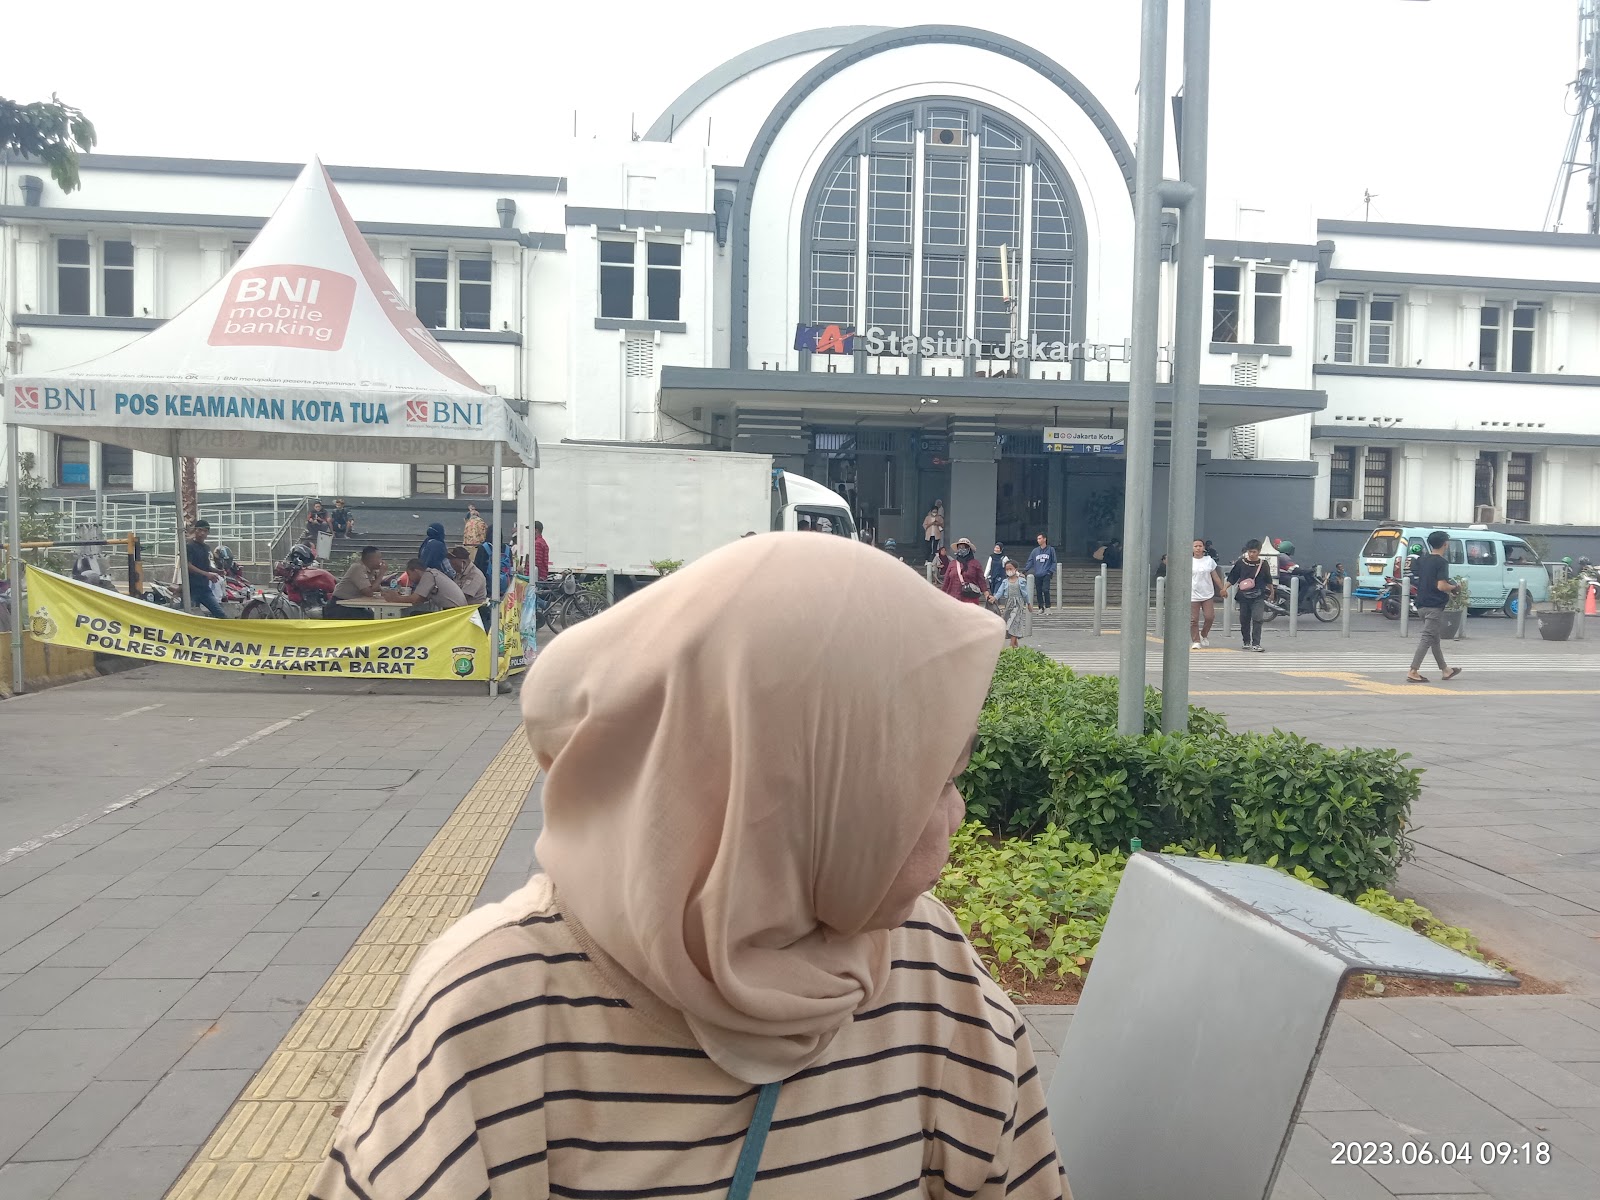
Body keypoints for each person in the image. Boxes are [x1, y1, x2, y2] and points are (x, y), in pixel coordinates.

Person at [307, 534, 1067, 1200]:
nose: (957, 813)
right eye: (931, 778)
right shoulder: (499, 1007)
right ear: (793, 784)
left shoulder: (928, 966)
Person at [1409, 530, 1464, 684]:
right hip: (1434, 606)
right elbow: (1441, 585)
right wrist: (1454, 587)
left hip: (1421, 604)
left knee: (1434, 639)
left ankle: (1446, 670)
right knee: (1427, 638)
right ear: (1445, 544)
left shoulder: (1423, 560)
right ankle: (1413, 671)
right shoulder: (1441, 562)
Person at [1227, 539, 1275, 652]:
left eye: (1254, 552)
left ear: (1259, 551)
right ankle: (1246, 641)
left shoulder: (1263, 564)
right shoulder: (1241, 563)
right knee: (1244, 619)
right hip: (1243, 596)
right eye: (1250, 552)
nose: (1251, 554)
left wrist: (1272, 592)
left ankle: (1256, 643)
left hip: (1258, 595)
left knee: (1258, 618)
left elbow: (1268, 579)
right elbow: (1233, 577)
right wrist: (1225, 588)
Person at [388, 557, 467, 615]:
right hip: (456, 611)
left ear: (416, 571)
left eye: (409, 574)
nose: (409, 578)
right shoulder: (433, 573)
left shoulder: (428, 575)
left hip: (454, 612)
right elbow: (420, 599)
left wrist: (397, 598)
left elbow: (415, 599)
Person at [326, 546, 384, 620]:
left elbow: (376, 588)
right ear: (370, 559)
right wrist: (382, 573)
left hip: (353, 605)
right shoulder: (357, 568)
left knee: (373, 615)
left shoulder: (371, 571)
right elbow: (368, 592)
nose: (381, 561)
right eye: (379, 558)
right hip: (340, 606)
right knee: (370, 618)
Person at [185, 520, 227, 619]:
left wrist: (216, 571)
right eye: (200, 530)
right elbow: (188, 566)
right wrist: (207, 574)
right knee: (188, 617)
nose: (202, 533)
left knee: (221, 615)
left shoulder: (206, 548)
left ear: (208, 533)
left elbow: (206, 566)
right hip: (190, 589)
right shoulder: (189, 546)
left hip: (204, 589)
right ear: (195, 530)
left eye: (205, 531)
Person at [1189, 539, 1225, 649]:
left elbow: (1215, 576)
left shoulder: (1209, 560)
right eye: (1195, 546)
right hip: (1193, 594)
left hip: (1207, 593)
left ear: (1204, 548)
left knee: (1209, 617)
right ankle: (1196, 640)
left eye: (1200, 546)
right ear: (1192, 548)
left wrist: (1222, 589)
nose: (1198, 548)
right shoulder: (1188, 561)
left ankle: (1204, 634)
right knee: (1193, 619)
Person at [996, 558, 1033, 648]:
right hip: (1008, 603)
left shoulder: (1021, 581)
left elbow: (1025, 593)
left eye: (1010, 569)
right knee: (1008, 621)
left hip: (1018, 604)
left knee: (1015, 621)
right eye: (1007, 569)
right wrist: (995, 598)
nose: (1009, 571)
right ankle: (1015, 643)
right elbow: (1000, 591)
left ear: (1015, 569)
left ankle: (1012, 644)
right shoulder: (1005, 581)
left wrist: (1028, 603)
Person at [943, 537, 990, 606]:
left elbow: (981, 581)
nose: (961, 549)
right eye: (959, 547)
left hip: (970, 600)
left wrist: (987, 595)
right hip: (953, 599)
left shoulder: (975, 564)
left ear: (969, 549)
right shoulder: (952, 564)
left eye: (964, 547)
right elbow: (946, 582)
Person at [1025, 532, 1058, 609]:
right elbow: (1030, 562)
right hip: (1037, 574)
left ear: (1044, 539)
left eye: (1040, 538)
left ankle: (1048, 607)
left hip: (1047, 573)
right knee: (1038, 591)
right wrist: (1025, 571)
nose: (1038, 540)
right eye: (1037, 539)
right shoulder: (1035, 551)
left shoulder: (1051, 550)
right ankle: (1040, 607)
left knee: (1045, 589)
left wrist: (1051, 571)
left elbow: (1054, 561)